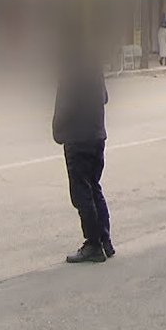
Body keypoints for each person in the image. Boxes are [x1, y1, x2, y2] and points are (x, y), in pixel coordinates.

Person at [52, 22, 113, 264]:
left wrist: (58, 131)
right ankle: (105, 240)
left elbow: (64, 106)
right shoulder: (94, 66)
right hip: (97, 135)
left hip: (78, 138)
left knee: (81, 193)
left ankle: (93, 244)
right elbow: (104, 97)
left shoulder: (70, 69)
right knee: (94, 186)